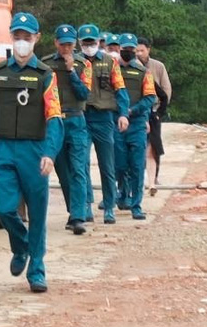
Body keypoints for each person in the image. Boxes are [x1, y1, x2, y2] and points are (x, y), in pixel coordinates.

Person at [0, 14, 65, 292]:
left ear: (36, 39)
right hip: (4, 150)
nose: (22, 42)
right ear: (11, 38)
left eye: (27, 37)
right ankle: (22, 245)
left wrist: (50, 152)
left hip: (35, 151)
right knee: (3, 207)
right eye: (17, 36)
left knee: (37, 213)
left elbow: (55, 117)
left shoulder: (46, 76)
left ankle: (36, 270)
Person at [42, 23, 94, 234]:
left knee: (78, 169)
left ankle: (79, 216)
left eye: (70, 45)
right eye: (62, 45)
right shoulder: (45, 64)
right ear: (56, 43)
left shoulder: (83, 65)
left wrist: (71, 70)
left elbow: (84, 94)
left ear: (75, 44)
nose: (66, 49)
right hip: (55, 122)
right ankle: (73, 211)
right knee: (62, 170)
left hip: (76, 120)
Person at [77, 24, 128, 223]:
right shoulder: (76, 62)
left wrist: (123, 114)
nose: (89, 46)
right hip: (82, 116)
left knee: (107, 164)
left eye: (92, 42)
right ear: (80, 43)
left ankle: (109, 206)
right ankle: (86, 205)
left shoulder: (109, 62)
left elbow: (120, 89)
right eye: (85, 43)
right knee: (82, 163)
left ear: (99, 42)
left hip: (104, 117)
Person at [115, 33, 158, 220]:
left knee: (137, 166)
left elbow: (150, 97)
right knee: (120, 164)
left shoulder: (143, 72)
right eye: (125, 48)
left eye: (132, 49)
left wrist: (133, 111)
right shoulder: (112, 69)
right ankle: (123, 193)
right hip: (116, 124)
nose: (128, 52)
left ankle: (136, 204)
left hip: (137, 124)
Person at [138, 40, 172, 173]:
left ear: (148, 50)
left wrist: (160, 111)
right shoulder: (131, 66)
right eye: (137, 51)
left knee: (154, 144)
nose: (139, 53)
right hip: (137, 109)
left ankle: (154, 175)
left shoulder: (158, 66)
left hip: (154, 109)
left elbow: (166, 89)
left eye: (142, 50)